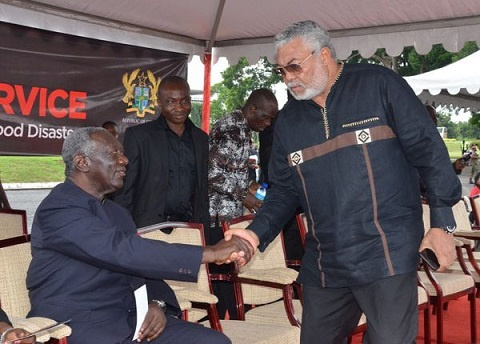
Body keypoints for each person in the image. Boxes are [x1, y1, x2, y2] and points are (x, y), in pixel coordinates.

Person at [225, 20, 461, 344]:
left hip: (387, 254)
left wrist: (442, 224)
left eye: (294, 67)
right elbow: (283, 192)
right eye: (281, 71)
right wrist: (254, 234)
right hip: (326, 262)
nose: (288, 78)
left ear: (323, 55)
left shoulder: (380, 85)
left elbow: (429, 152)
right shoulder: (289, 122)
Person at [27, 127, 253, 344]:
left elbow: (141, 268)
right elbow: (122, 251)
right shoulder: (58, 209)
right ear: (82, 162)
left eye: (122, 153)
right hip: (78, 326)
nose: (124, 160)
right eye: (113, 153)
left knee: (214, 341)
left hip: (132, 322)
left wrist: (158, 303)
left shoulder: (116, 212)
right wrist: (211, 252)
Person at [207, 88, 278, 318]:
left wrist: (250, 187)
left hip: (230, 214)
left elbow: (231, 170)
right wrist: (243, 195)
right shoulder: (233, 130)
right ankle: (221, 327)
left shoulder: (244, 127)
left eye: (271, 119)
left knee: (228, 278)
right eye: (265, 117)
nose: (267, 124)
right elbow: (213, 174)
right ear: (252, 109)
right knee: (222, 281)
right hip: (217, 216)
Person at [114, 76, 210, 231]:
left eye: (184, 101)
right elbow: (125, 189)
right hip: (148, 228)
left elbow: (202, 189)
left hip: (190, 228)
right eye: (171, 101)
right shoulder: (140, 136)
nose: (179, 107)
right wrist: (126, 229)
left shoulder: (201, 139)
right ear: (159, 103)